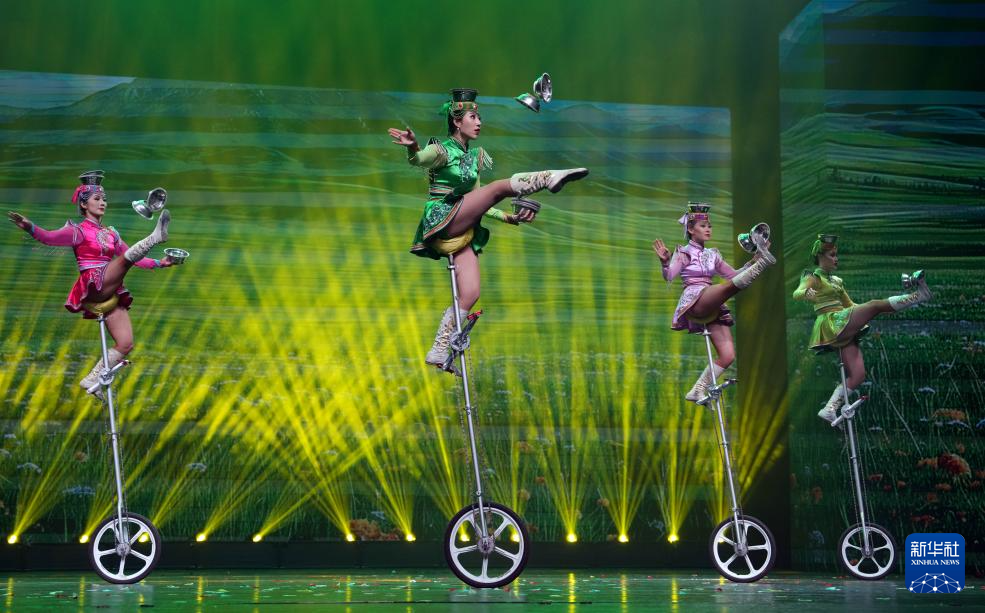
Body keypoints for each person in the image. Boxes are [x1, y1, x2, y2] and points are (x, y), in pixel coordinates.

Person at [389, 88, 589, 367]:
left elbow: (479, 200)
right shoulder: (441, 149)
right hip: (443, 215)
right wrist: (412, 146)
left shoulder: (475, 157)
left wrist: (509, 218)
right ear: (457, 121)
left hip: (464, 222)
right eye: (473, 117)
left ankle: (439, 349)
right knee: (497, 188)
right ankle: (546, 178)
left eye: (480, 117)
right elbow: (418, 160)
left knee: (471, 293)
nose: (479, 122)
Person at [7, 170, 174, 398]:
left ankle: (93, 379)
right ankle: (154, 238)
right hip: (94, 283)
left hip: (111, 287)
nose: (103, 202)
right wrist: (29, 227)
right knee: (123, 262)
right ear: (84, 204)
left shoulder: (111, 233)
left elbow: (136, 259)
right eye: (97, 199)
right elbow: (48, 237)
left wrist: (160, 263)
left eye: (104, 199)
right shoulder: (77, 231)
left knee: (126, 343)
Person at [792, 233, 931, 423]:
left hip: (843, 321)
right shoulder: (812, 277)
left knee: (858, 375)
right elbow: (797, 293)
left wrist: (871, 310)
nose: (836, 259)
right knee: (875, 305)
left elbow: (850, 305)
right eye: (832, 255)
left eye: (836, 255)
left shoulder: (837, 281)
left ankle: (830, 408)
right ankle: (919, 296)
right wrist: (806, 293)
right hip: (831, 322)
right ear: (820, 256)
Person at [653, 202, 776, 402]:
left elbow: (734, 275)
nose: (708, 229)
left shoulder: (713, 254)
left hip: (713, 301)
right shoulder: (684, 252)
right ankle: (763, 264)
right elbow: (669, 276)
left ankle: (697, 390)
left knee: (728, 356)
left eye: (709, 225)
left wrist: (754, 259)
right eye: (703, 226)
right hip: (695, 299)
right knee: (726, 289)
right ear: (691, 229)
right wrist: (665, 262)